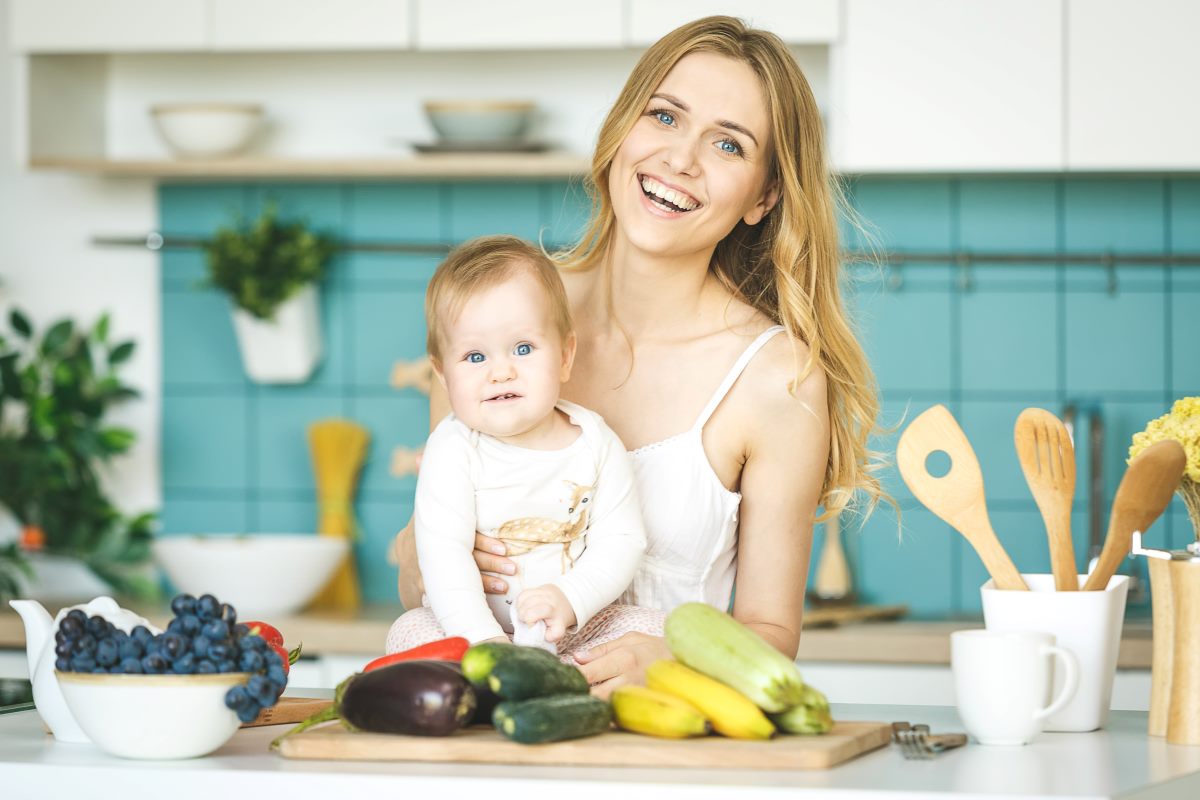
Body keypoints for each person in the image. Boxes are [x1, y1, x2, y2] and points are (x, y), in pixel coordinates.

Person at [394, 16, 884, 696]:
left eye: (728, 145)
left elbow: (771, 636)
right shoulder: (498, 325)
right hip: (490, 736)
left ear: (764, 197)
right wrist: (438, 567)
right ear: (622, 129)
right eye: (663, 116)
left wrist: (671, 662)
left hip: (662, 747)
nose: (681, 159)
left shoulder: (778, 380)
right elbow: (414, 558)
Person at [385, 235, 653, 657]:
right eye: (475, 357)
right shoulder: (453, 449)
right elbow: (444, 556)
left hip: (574, 623)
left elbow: (622, 540)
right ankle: (498, 682)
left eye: (523, 348)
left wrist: (571, 598)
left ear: (565, 356)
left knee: (653, 628)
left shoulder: (596, 442)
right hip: (471, 628)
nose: (501, 372)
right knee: (408, 631)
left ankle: (570, 681)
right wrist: (485, 642)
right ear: (441, 375)